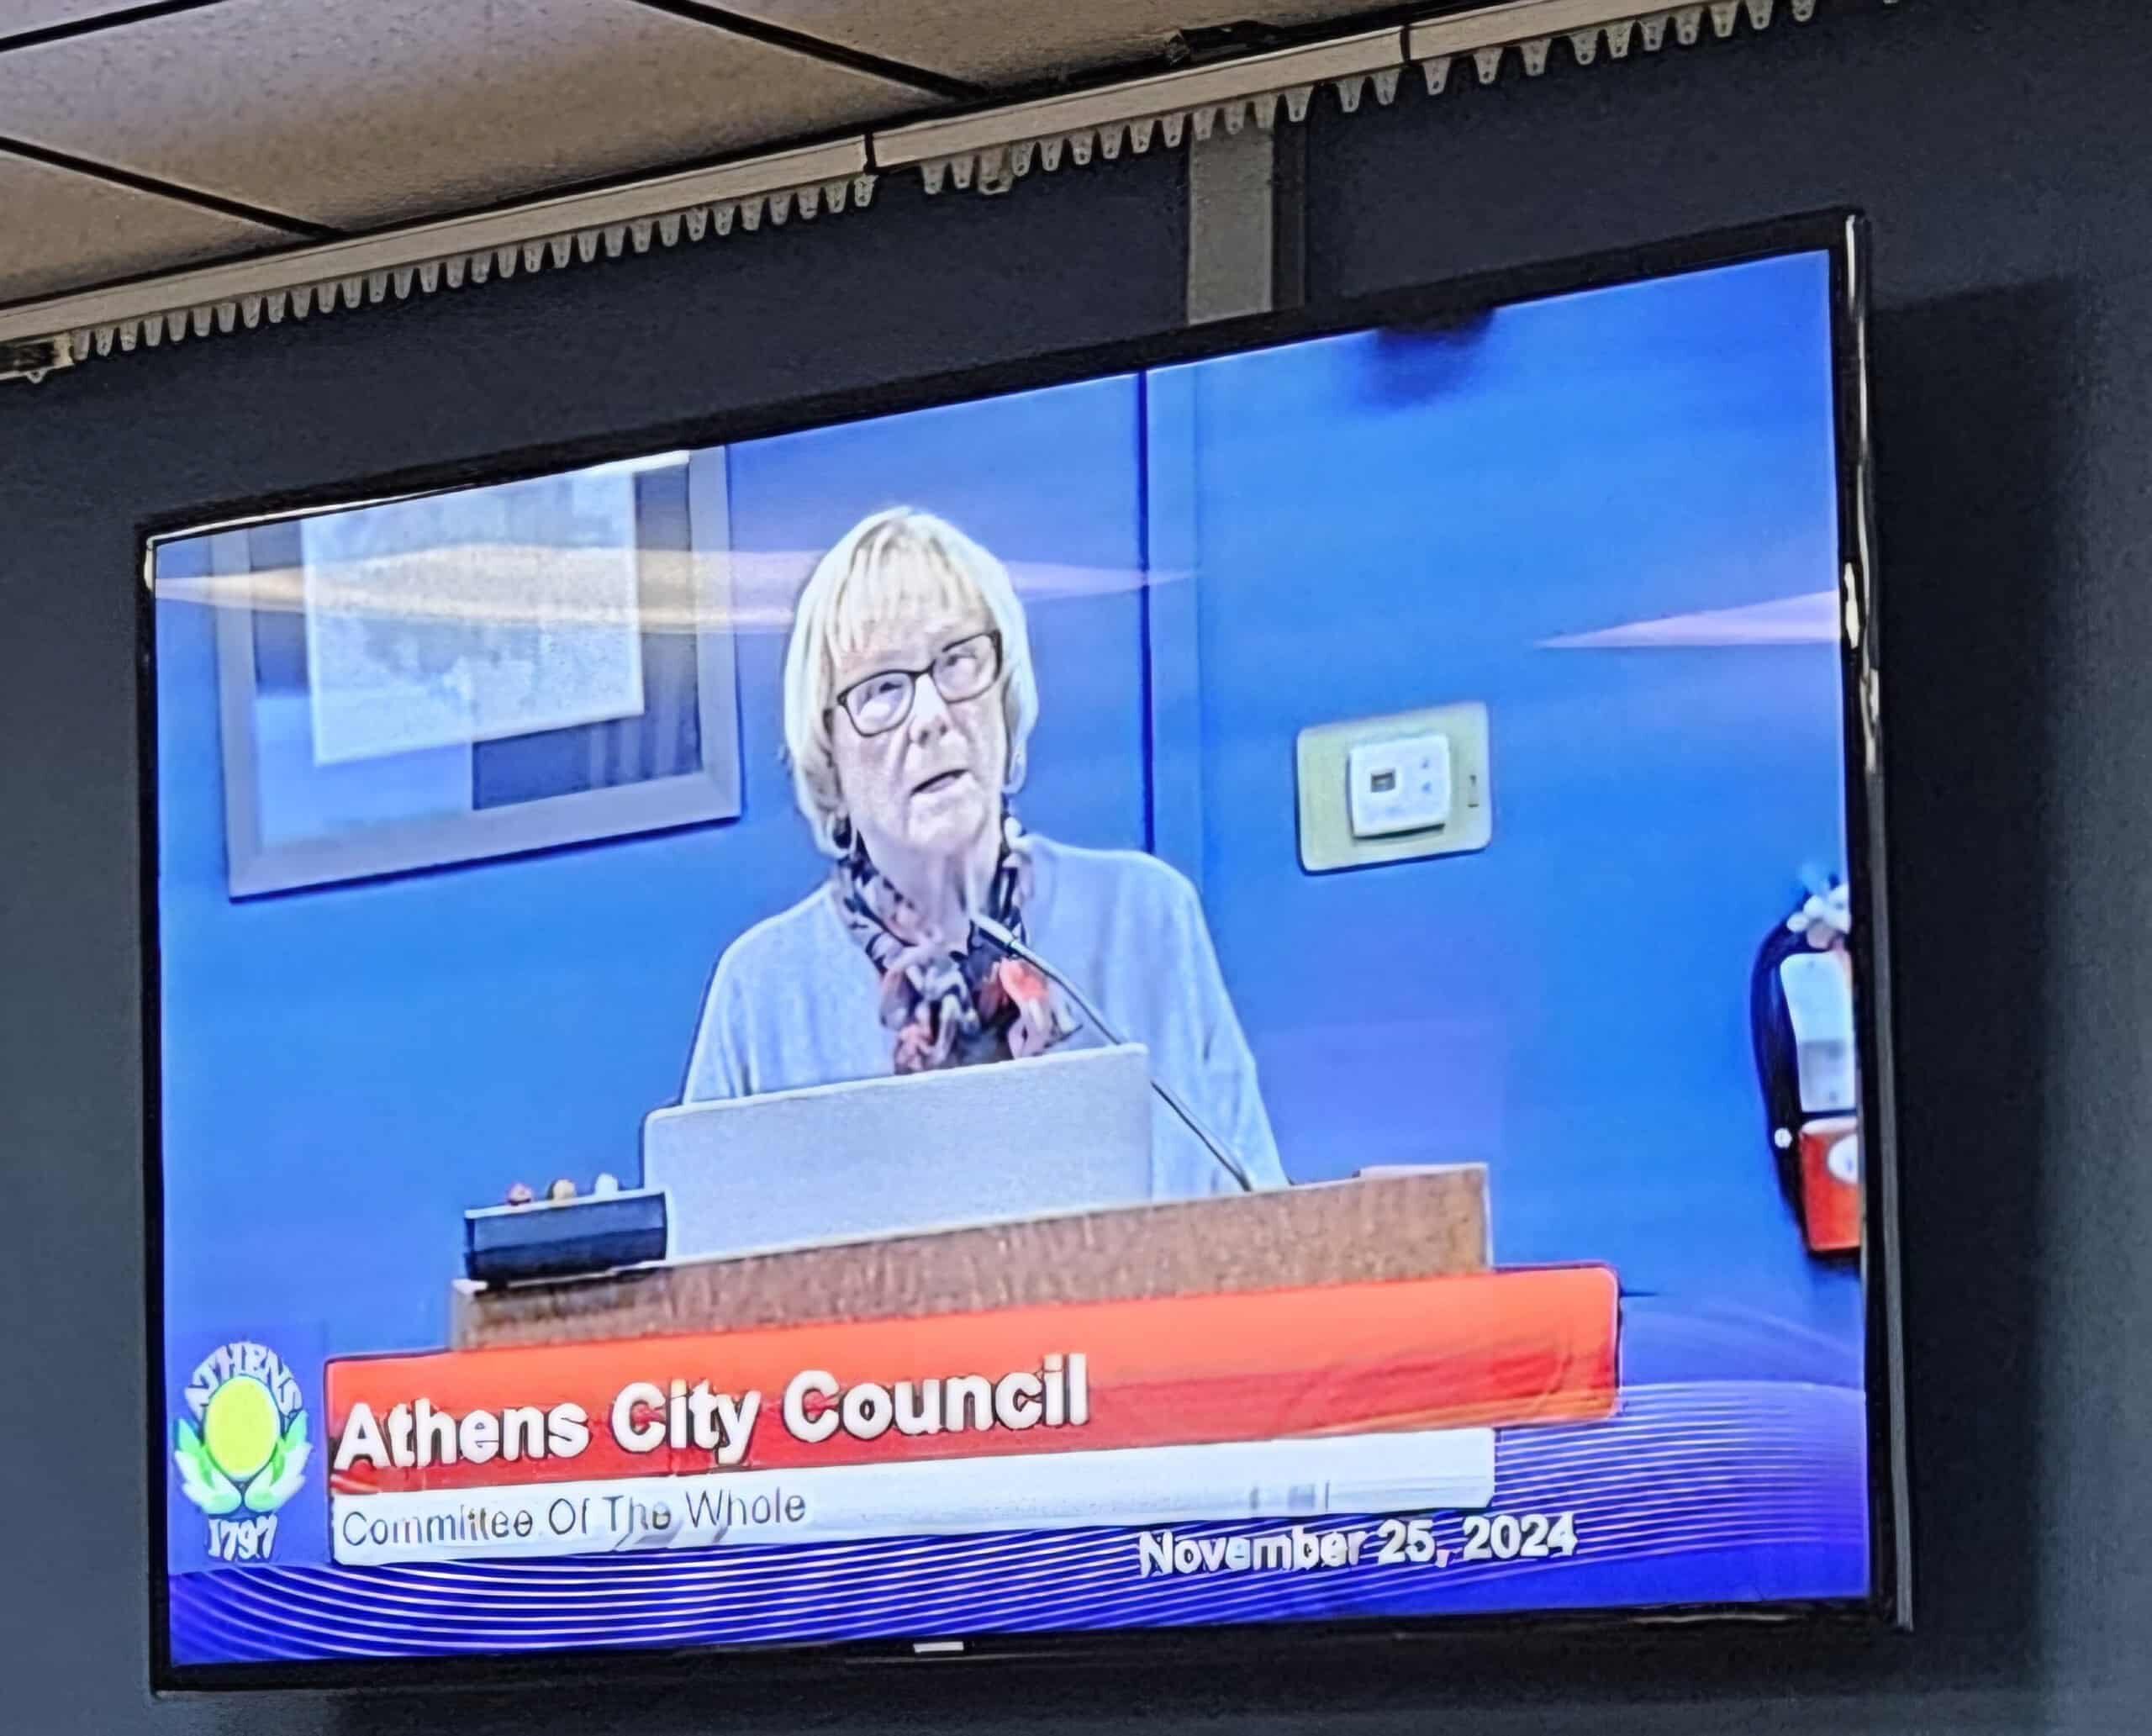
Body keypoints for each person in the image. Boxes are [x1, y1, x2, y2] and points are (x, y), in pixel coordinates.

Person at [683, 506, 1285, 1198]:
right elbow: (706, 1259)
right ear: (831, 761)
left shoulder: (1145, 918)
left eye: (956, 661)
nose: (931, 716)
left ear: (1005, 699)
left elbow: (1257, 1216)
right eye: (882, 689)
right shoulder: (761, 992)